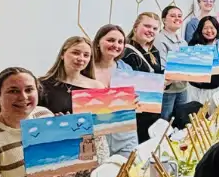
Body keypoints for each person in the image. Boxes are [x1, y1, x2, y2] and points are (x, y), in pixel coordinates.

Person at [85, 24, 138, 158]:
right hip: (95, 137)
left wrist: (136, 102)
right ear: (97, 42)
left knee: (127, 174)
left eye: (120, 42)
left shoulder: (126, 70)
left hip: (125, 135)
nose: (116, 45)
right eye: (110, 40)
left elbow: (136, 103)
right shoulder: (85, 70)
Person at [123, 12, 167, 141]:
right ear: (135, 27)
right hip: (136, 114)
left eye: (154, 28)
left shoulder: (154, 51)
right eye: (147, 26)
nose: (151, 31)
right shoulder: (126, 52)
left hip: (153, 110)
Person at [40, 36, 101, 115]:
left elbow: (102, 120)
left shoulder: (97, 87)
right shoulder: (42, 85)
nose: (81, 58)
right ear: (62, 54)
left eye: (86, 55)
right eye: (75, 53)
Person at [183, 16, 219, 112]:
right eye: (206, 28)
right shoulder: (193, 44)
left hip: (216, 89)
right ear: (200, 29)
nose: (209, 31)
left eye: (212, 28)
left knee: (214, 117)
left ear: (217, 29)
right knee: (196, 118)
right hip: (196, 90)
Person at [156, 5, 188, 120]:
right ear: (164, 20)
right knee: (165, 122)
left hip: (183, 88)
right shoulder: (159, 39)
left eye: (179, 16)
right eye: (173, 16)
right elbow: (163, 68)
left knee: (181, 120)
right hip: (168, 91)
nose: (177, 18)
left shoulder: (183, 42)